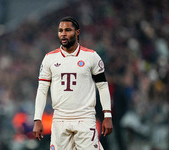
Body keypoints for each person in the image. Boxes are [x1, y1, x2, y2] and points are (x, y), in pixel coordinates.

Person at [33, 16, 113, 150]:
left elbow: (103, 86)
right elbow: (42, 90)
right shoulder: (49, 58)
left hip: (85, 118)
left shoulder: (91, 56)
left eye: (68, 30)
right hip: (60, 120)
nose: (63, 33)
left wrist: (107, 115)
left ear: (77, 32)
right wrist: (37, 119)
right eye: (60, 30)